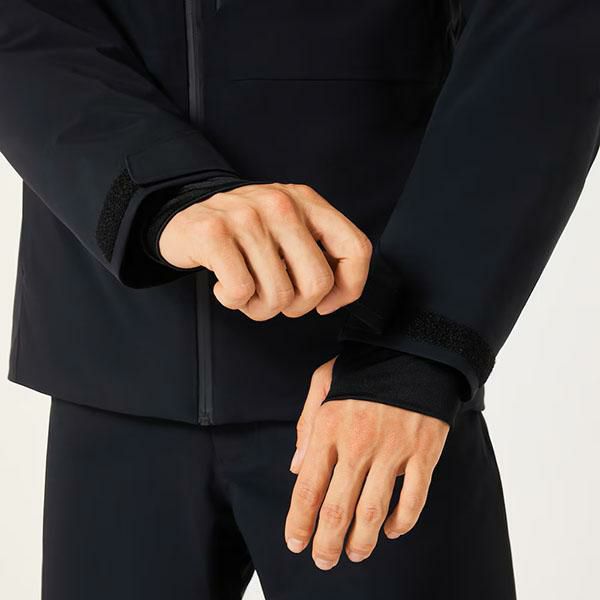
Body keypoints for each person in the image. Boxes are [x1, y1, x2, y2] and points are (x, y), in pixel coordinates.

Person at [1, 1, 598, 598]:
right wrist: (156, 192)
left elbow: (544, 23)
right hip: (112, 367)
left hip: (369, 375)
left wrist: (420, 350)